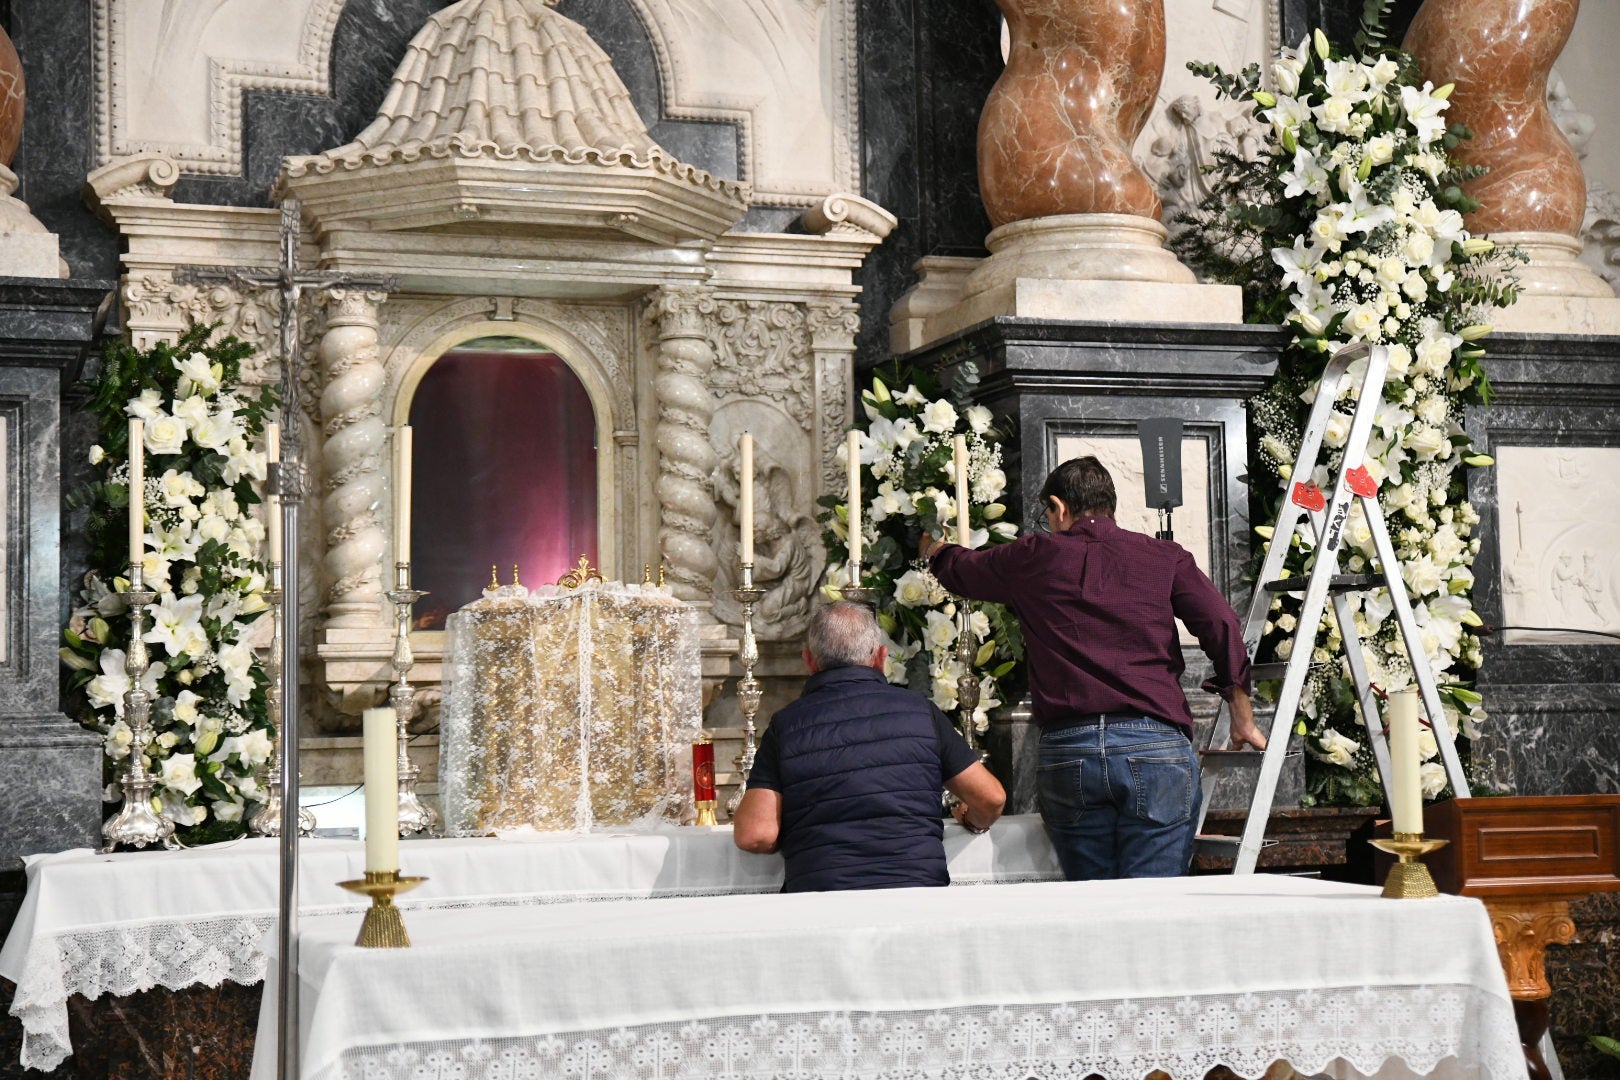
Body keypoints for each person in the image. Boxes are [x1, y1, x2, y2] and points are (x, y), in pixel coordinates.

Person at [923, 455, 1265, 881]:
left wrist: (935, 550)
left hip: (1070, 752)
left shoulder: (1033, 556)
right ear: (1111, 506)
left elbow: (965, 571)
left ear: (1059, 507)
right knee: (1155, 905)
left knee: (1093, 909)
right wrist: (1242, 712)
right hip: (1154, 746)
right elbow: (1221, 623)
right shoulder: (1165, 558)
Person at [732, 601, 1006, 892]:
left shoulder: (787, 725)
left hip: (822, 900)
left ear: (810, 661)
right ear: (881, 657)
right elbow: (991, 798)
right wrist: (972, 820)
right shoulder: (919, 712)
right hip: (915, 897)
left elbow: (756, 835)